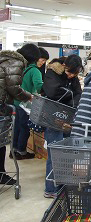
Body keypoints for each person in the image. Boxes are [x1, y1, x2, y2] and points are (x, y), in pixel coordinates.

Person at [43, 55, 83, 198]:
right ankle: (51, 189)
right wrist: (71, 95)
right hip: (53, 116)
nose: (71, 76)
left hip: (67, 118)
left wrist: (71, 95)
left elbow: (79, 93)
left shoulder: (73, 77)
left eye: (74, 74)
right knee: (55, 153)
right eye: (69, 72)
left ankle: (62, 185)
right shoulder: (53, 72)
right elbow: (52, 92)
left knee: (66, 152)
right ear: (64, 65)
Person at [0, 49, 32, 185]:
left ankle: (1, 173)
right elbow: (14, 87)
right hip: (1, 107)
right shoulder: (16, 63)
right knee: (1, 142)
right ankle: (1, 175)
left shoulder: (4, 60)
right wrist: (29, 96)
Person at [12, 44, 43, 160]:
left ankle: (14, 150)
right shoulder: (35, 71)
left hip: (15, 102)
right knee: (25, 128)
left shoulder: (20, 68)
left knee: (17, 127)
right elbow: (39, 87)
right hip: (26, 104)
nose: (43, 62)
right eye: (42, 59)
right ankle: (21, 151)